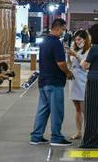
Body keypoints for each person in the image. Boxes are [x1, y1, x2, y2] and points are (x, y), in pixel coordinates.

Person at [30, 18, 74, 146]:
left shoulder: (44, 42)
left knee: (43, 110)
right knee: (57, 111)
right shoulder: (56, 43)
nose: (63, 32)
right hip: (54, 82)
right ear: (58, 28)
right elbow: (60, 63)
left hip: (43, 81)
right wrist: (68, 72)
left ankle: (36, 136)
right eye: (63, 29)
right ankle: (56, 137)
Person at [80, 24, 98, 149]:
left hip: (93, 80)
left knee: (90, 111)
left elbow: (85, 65)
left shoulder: (94, 48)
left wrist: (78, 57)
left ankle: (90, 140)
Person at [66, 30, 90, 140]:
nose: (77, 41)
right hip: (73, 78)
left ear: (85, 39)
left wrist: (75, 55)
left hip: (82, 78)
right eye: (75, 39)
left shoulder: (88, 50)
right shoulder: (75, 48)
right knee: (77, 108)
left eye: (79, 39)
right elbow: (70, 64)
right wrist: (68, 56)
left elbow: (85, 65)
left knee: (84, 108)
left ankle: (89, 131)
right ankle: (78, 131)